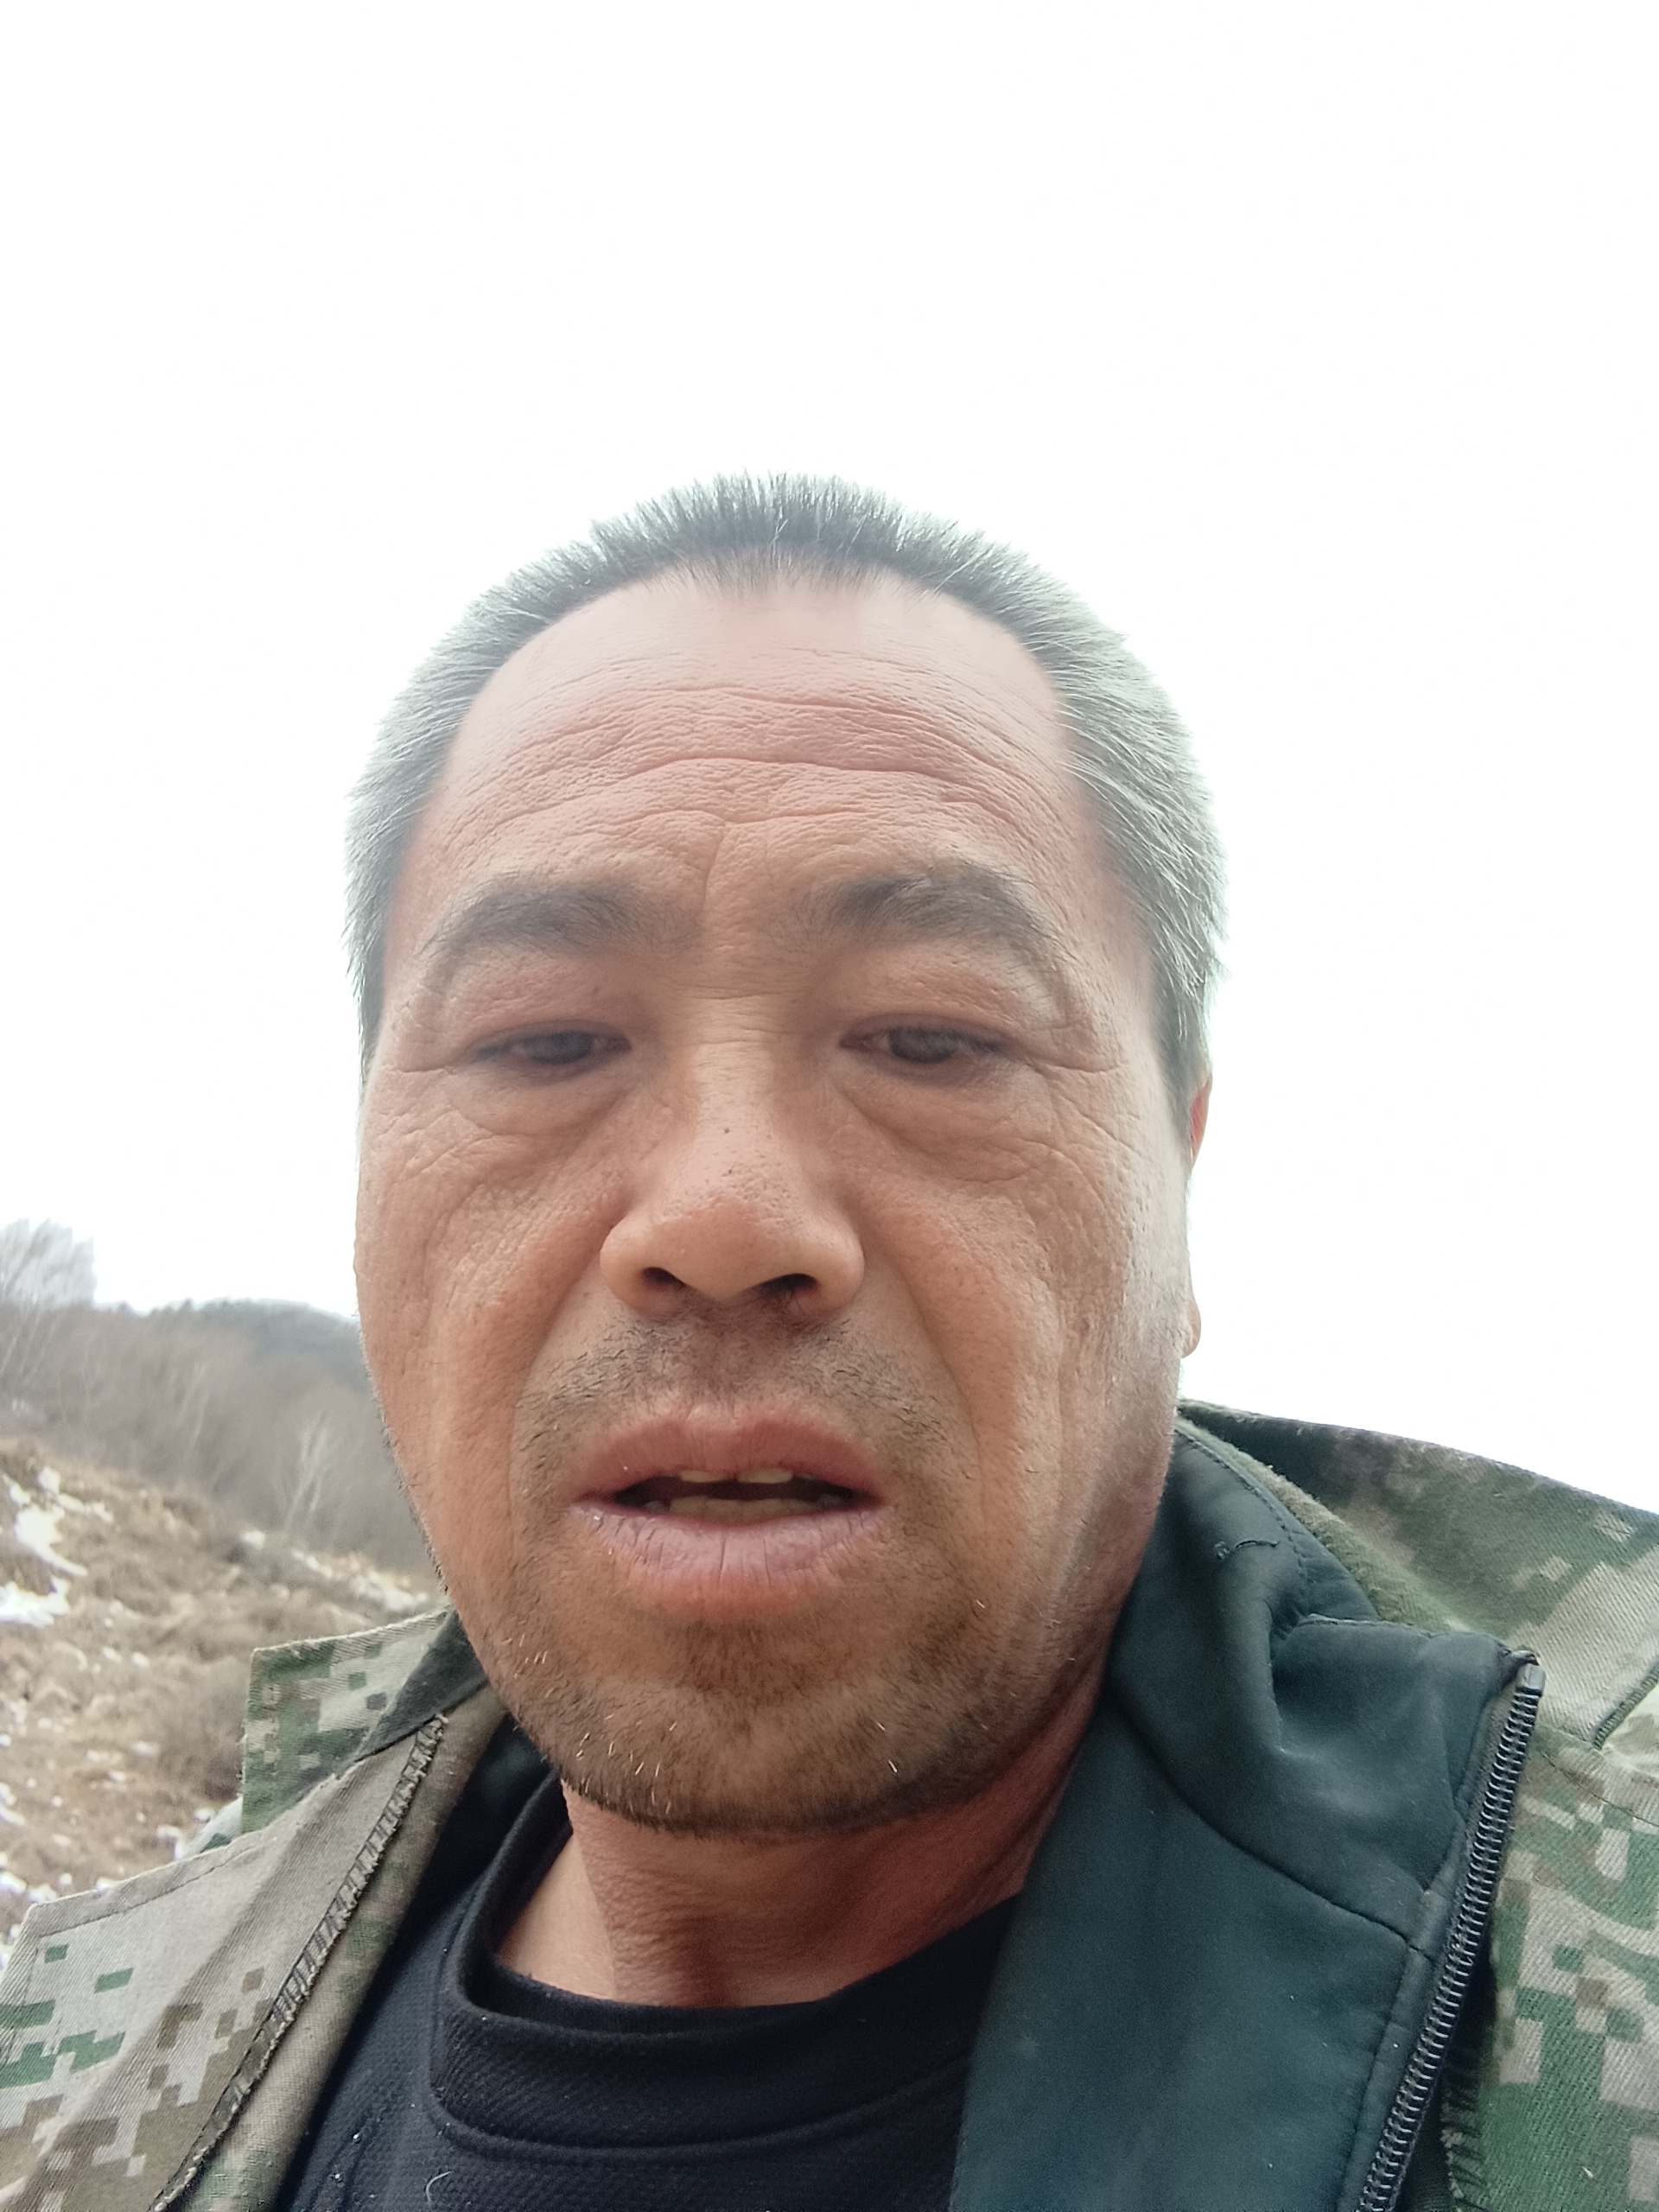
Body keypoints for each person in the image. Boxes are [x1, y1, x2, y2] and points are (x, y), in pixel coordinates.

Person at [2, 479, 1655, 2212]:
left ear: (1180, 1188)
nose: (723, 1218)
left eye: (930, 1036)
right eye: (547, 1040)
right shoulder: (89, 2035)